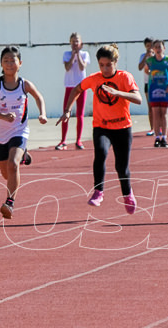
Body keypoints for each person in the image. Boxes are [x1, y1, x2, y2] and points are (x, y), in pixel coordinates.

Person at [57, 44, 142, 213]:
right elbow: (76, 89)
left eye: (108, 65)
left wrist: (118, 93)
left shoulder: (125, 77)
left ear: (115, 62)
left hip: (122, 127)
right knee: (101, 153)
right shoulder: (95, 78)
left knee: (121, 166)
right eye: (101, 65)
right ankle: (98, 191)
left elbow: (138, 98)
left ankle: (127, 194)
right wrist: (67, 111)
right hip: (102, 126)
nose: (105, 68)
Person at [0, 45, 48, 219]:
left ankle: (9, 202)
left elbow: (39, 97)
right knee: (6, 173)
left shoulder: (24, 84)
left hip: (19, 131)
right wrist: (2, 116)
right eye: (6, 61)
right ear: (1, 64)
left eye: (13, 60)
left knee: (13, 164)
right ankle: (24, 157)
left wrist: (42, 113)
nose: (10, 64)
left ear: (20, 63)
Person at [56, 32, 88, 150]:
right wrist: (72, 56)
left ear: (81, 43)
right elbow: (67, 67)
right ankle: (63, 140)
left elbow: (82, 67)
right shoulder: (66, 54)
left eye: (77, 41)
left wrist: (78, 55)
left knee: (80, 114)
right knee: (66, 112)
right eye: (73, 41)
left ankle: (78, 140)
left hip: (81, 86)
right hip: (69, 86)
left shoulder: (85, 54)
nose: (75, 43)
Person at [145, 38, 168, 147]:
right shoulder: (150, 61)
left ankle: (164, 137)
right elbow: (145, 70)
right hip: (154, 89)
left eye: (160, 47)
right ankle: (157, 137)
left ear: (164, 48)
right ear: (153, 49)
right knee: (155, 113)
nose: (158, 49)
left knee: (164, 113)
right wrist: (151, 73)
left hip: (165, 89)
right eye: (156, 47)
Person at [136, 37, 157, 137]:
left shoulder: (157, 56)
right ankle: (152, 128)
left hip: (156, 83)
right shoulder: (143, 56)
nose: (150, 48)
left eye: (151, 45)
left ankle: (159, 128)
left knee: (158, 106)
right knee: (150, 106)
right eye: (148, 46)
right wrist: (146, 58)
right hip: (147, 83)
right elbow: (140, 67)